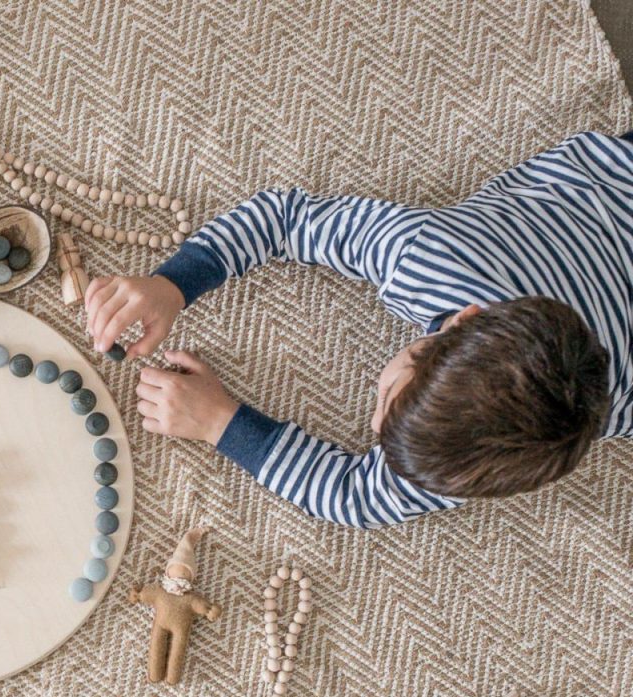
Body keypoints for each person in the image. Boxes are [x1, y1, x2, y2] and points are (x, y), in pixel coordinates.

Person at [84, 131, 632, 528]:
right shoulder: (430, 256)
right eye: (390, 396)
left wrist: (222, 423)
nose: (371, 420)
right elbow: (285, 218)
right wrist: (174, 284)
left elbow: (353, 496)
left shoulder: (496, 451)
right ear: (465, 317)